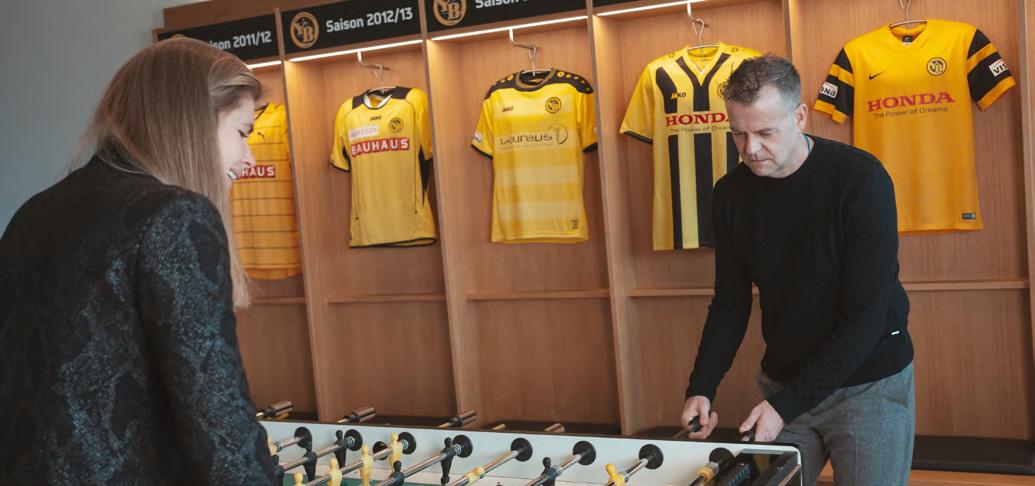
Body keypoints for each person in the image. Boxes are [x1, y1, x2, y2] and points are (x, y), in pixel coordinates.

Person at [0, 38, 277, 483]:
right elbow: (222, 433)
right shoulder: (175, 216)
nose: (250, 158)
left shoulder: (34, 212)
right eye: (243, 133)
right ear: (192, 122)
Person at [679, 54, 915, 485]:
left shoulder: (861, 179)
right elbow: (730, 303)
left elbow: (865, 317)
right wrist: (702, 386)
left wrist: (784, 406)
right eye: (738, 134)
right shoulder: (729, 195)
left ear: (800, 116)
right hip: (784, 382)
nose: (751, 149)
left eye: (765, 132)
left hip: (868, 384)